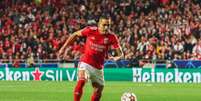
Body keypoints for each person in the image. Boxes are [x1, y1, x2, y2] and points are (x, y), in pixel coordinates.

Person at [58, 16, 123, 101]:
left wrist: (117, 58)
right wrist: (63, 48)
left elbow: (120, 54)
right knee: (82, 80)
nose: (106, 27)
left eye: (108, 25)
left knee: (98, 90)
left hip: (98, 67)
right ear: (99, 24)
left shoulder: (112, 37)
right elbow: (75, 34)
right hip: (86, 63)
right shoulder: (90, 30)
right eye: (104, 25)